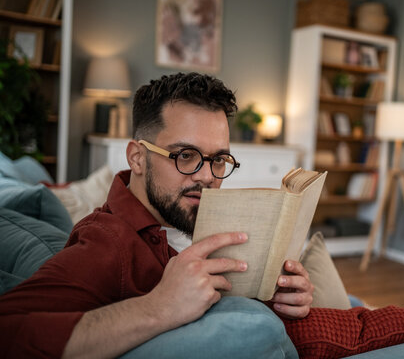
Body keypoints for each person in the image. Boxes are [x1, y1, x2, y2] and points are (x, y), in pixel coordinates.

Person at [0, 72, 314, 358]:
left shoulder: (189, 218)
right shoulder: (107, 242)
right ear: (137, 157)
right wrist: (157, 307)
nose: (207, 176)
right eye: (186, 155)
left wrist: (280, 301)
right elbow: (10, 330)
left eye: (219, 159)